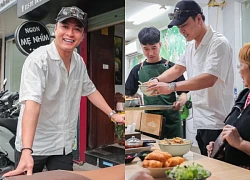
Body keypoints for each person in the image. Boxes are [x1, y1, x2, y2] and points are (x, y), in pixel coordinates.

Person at [3, 6, 125, 177]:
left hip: (62, 145)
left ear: (82, 36)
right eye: (65, 26)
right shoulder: (38, 60)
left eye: (77, 29)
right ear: (56, 28)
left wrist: (113, 114)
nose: (70, 33)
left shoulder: (78, 62)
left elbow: (90, 90)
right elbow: (32, 104)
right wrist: (26, 150)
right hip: (35, 144)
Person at [147, 0, 234, 155]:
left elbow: (208, 78)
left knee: (219, 170)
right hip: (201, 121)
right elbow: (177, 68)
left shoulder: (218, 43)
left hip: (218, 122)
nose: (181, 31)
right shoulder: (190, 46)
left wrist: (172, 87)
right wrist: (157, 80)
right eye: (179, 27)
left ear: (199, 19)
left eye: (184, 25)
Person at [125, 26, 188, 139]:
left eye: (154, 48)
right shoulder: (137, 69)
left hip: (171, 117)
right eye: (146, 49)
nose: (151, 53)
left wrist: (181, 101)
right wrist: (133, 98)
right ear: (141, 47)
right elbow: (128, 93)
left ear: (160, 44)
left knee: (174, 149)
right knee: (152, 151)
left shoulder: (172, 68)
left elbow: (183, 93)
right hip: (150, 118)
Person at [207, 42, 250, 169]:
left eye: (241, 65)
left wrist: (240, 143)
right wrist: (221, 147)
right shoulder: (244, 95)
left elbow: (238, 140)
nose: (239, 70)